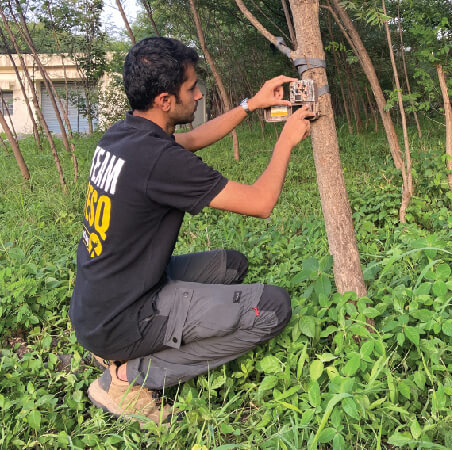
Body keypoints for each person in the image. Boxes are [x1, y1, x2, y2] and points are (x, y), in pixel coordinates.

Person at [69, 36, 313, 425]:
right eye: (191, 87)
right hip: (123, 317)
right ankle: (124, 378)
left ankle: (122, 348)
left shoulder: (124, 135)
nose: (199, 94)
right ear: (165, 100)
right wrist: (286, 140)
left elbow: (193, 140)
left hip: (99, 306)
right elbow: (261, 203)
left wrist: (252, 104)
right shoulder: (158, 160)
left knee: (232, 265)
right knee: (272, 308)